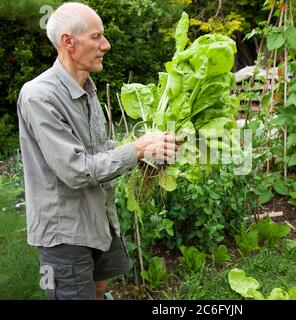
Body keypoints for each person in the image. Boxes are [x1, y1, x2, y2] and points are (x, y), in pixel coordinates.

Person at [17, 2, 178, 300]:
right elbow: (77, 170)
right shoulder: (39, 96)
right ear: (68, 41)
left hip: (99, 218)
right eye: (97, 37)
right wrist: (137, 149)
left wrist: (151, 150)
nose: (106, 44)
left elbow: (100, 151)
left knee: (99, 288)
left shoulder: (88, 90)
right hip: (65, 230)